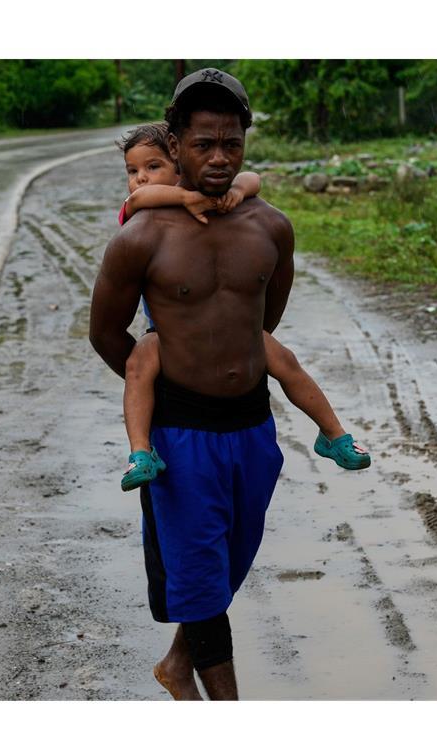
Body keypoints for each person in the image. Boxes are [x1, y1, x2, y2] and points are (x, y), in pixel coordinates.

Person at [91, 68, 315, 700]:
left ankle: (175, 663)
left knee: (229, 564)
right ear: (178, 143)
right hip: (181, 438)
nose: (218, 158)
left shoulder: (271, 227)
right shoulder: (142, 236)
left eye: (231, 144)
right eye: (202, 144)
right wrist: (171, 379)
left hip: (252, 429)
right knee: (200, 582)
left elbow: (261, 321)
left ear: (244, 142)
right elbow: (107, 334)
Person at [113, 124, 370, 493]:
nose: (140, 179)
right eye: (132, 170)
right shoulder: (143, 215)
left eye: (152, 167)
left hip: (235, 331)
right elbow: (138, 200)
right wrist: (183, 199)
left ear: (181, 163)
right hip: (170, 335)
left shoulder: (219, 205)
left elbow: (253, 177)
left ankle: (333, 434)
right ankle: (141, 451)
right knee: (139, 364)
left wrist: (236, 189)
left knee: (284, 360)